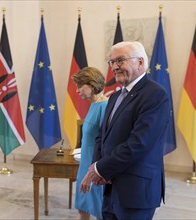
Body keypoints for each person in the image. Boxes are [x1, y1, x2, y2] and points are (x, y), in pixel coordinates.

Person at [80, 41, 171, 220]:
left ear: (140, 62)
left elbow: (139, 143)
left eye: (120, 61)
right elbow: (102, 136)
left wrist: (100, 168)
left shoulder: (155, 95)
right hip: (109, 186)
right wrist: (99, 170)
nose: (114, 67)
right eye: (112, 62)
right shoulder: (114, 97)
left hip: (136, 190)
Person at [72, 67, 108, 220]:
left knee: (100, 212)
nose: (77, 91)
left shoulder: (104, 107)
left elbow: (105, 144)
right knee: (82, 209)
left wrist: (93, 172)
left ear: (92, 86)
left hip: (95, 169)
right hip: (84, 167)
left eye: (80, 86)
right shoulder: (93, 105)